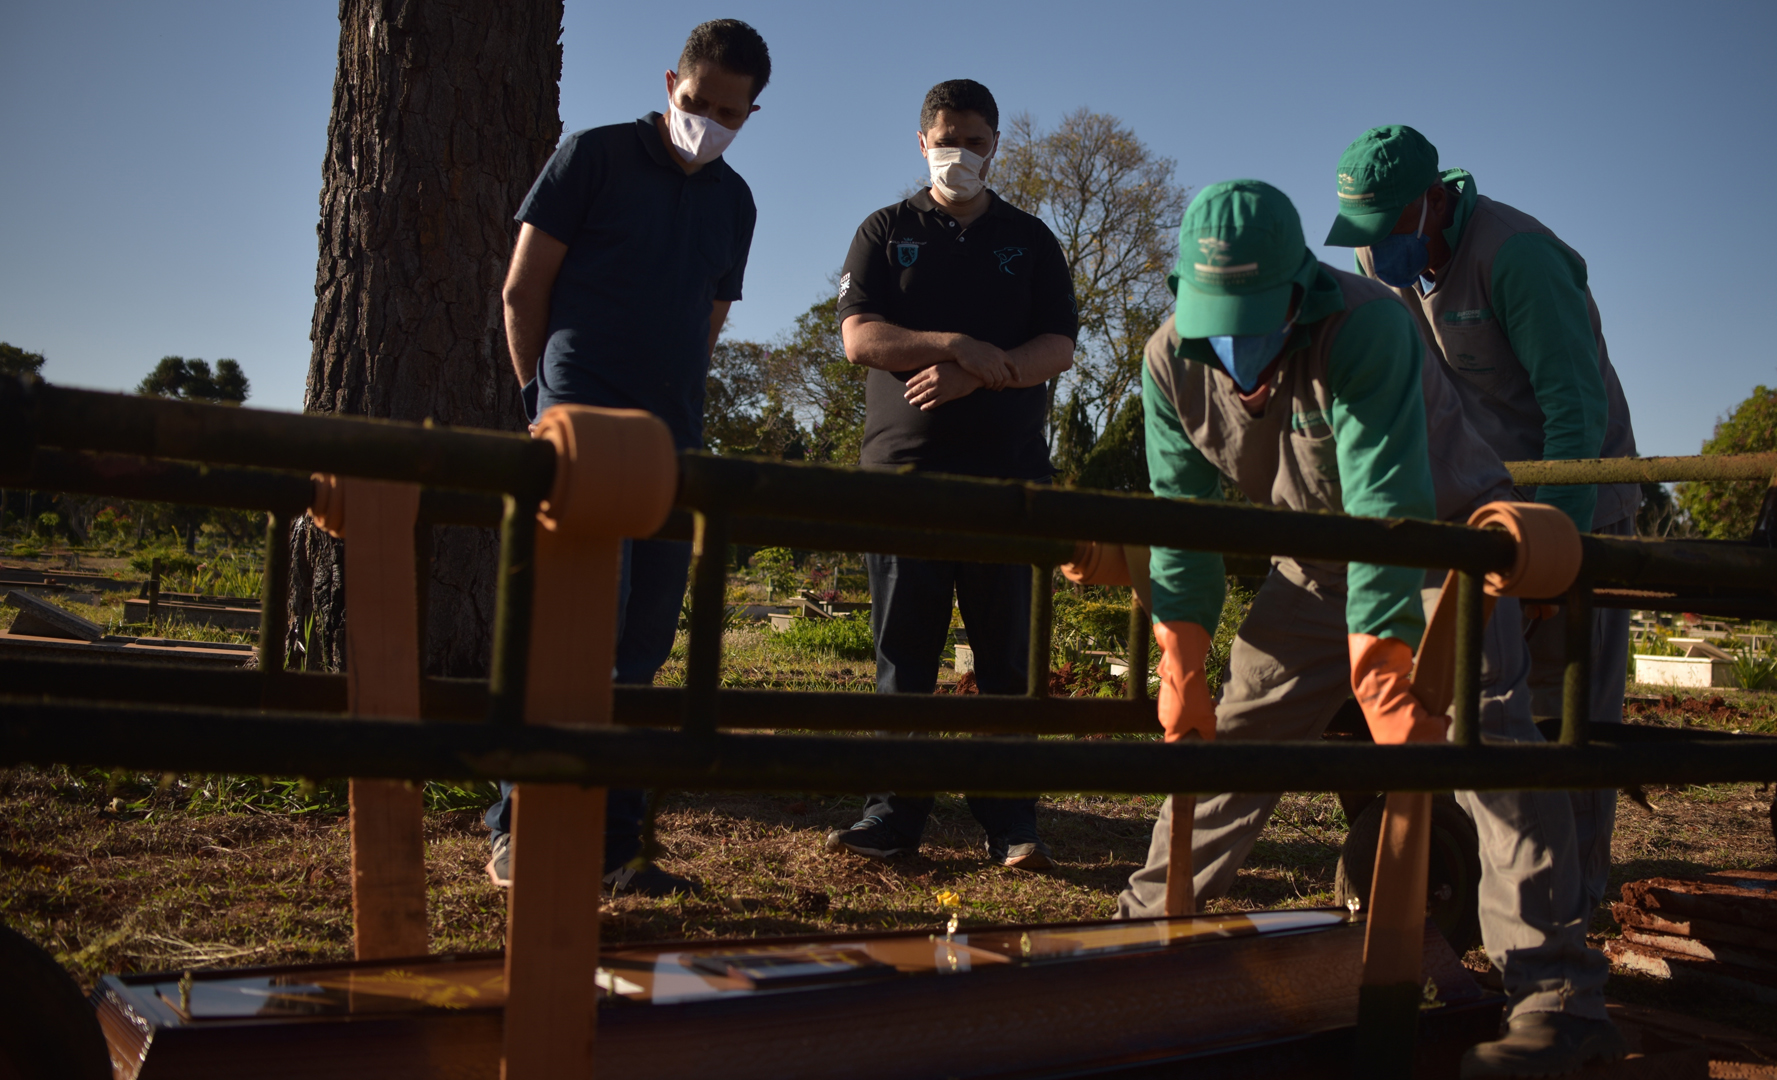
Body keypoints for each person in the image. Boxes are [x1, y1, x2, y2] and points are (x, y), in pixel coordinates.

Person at [1114, 179, 1624, 1076]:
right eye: (1214, 318)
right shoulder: (1169, 360)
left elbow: (1387, 505)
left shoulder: (1367, 323)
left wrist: (1385, 669)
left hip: (1432, 547)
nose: (1235, 343)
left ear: (1297, 289)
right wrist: (1180, 657)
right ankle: (1141, 936)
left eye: (1252, 317)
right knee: (1230, 739)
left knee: (1484, 747)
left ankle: (1559, 999)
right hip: (1308, 562)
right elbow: (1181, 522)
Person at [484, 18, 770, 898]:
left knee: (643, 644)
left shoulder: (736, 202)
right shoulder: (594, 157)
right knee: (564, 630)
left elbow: (709, 324)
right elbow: (522, 288)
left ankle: (616, 844)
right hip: (576, 425)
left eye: (730, 111)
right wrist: (544, 401)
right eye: (697, 102)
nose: (708, 120)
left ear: (752, 112)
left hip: (669, 443)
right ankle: (516, 830)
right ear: (670, 83)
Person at [1326, 124, 1639, 919]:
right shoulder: (1385, 266)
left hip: (1574, 507)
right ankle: (1481, 882)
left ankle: (1576, 900)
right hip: (1478, 509)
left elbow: (1574, 409)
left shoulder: (1517, 256)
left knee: (1567, 714)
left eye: (1384, 231)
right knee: (1476, 699)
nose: (1371, 252)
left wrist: (1554, 554)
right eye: (1359, 238)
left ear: (1433, 202)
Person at [825, 79, 1078, 870]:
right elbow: (859, 339)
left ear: (995, 144)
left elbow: (1059, 346)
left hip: (1008, 479)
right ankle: (894, 816)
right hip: (904, 478)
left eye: (973, 139)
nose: (958, 153)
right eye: (945, 137)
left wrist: (982, 372)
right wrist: (951, 344)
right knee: (905, 654)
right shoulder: (884, 230)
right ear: (921, 140)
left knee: (1007, 657)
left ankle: (1012, 824)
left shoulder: (1031, 239)